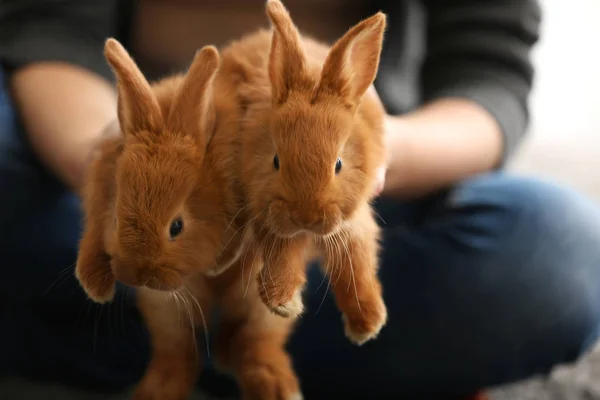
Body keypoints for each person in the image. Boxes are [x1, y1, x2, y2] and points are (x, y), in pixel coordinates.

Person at [1, 0, 599, 398]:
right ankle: (265, 360)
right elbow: (47, 26)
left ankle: (146, 348)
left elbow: (489, 73)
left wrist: (379, 159)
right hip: (129, 150)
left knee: (557, 252)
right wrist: (108, 162)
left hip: (381, 175)